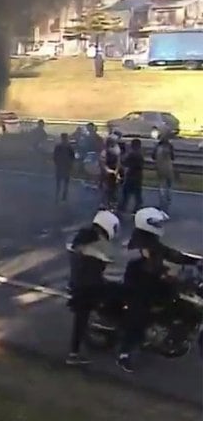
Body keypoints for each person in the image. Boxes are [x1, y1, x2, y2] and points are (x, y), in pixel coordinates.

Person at [116, 207, 202, 373]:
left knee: (177, 299)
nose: (160, 225)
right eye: (157, 223)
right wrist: (167, 274)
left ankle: (171, 331)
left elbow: (171, 254)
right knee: (139, 315)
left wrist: (196, 261)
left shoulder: (151, 240)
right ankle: (124, 354)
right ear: (147, 224)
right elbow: (149, 267)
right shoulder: (138, 244)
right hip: (138, 286)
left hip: (151, 282)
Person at [66, 210, 120, 365]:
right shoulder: (95, 243)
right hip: (87, 287)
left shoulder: (84, 236)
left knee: (81, 319)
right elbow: (111, 259)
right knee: (120, 293)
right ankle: (73, 355)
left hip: (82, 283)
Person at [118, 139, 144, 214]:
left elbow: (124, 162)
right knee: (137, 194)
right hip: (138, 176)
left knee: (126, 193)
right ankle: (137, 208)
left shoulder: (132, 154)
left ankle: (122, 207)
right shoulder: (140, 154)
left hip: (131, 176)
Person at [152, 135, 175, 213]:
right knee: (169, 186)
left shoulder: (157, 147)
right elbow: (173, 157)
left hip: (160, 168)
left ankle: (162, 203)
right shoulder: (169, 147)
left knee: (161, 185)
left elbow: (153, 156)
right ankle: (168, 200)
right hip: (169, 168)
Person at [99, 136, 121, 209]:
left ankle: (110, 203)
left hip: (111, 173)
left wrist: (116, 172)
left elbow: (118, 163)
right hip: (108, 173)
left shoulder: (114, 151)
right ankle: (107, 203)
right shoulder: (106, 152)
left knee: (112, 189)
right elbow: (103, 163)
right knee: (108, 188)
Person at [53, 133, 75, 202]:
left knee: (59, 182)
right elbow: (72, 157)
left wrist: (56, 163)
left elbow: (55, 156)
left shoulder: (58, 146)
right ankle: (64, 195)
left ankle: (58, 195)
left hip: (60, 166)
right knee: (65, 182)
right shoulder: (69, 147)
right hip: (66, 166)